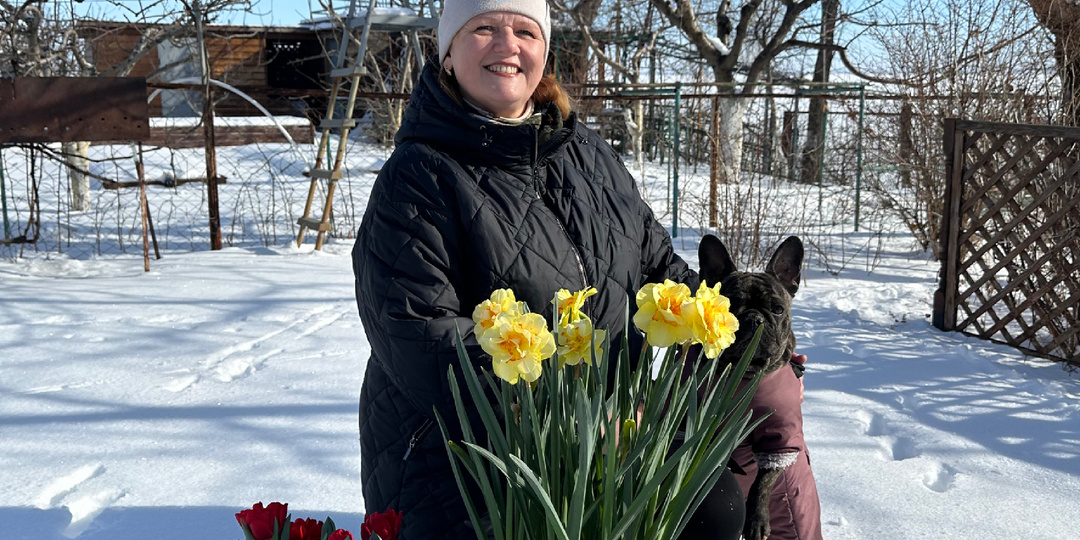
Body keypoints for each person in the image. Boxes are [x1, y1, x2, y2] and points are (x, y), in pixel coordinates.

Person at [351, 1, 741, 538]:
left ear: (544, 52)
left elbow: (657, 265)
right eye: (483, 28)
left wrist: (733, 332)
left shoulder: (587, 152)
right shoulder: (417, 177)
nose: (507, 46)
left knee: (714, 509)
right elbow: (418, 331)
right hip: (469, 455)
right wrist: (557, 416)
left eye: (525, 31)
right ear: (446, 54)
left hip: (602, 432)